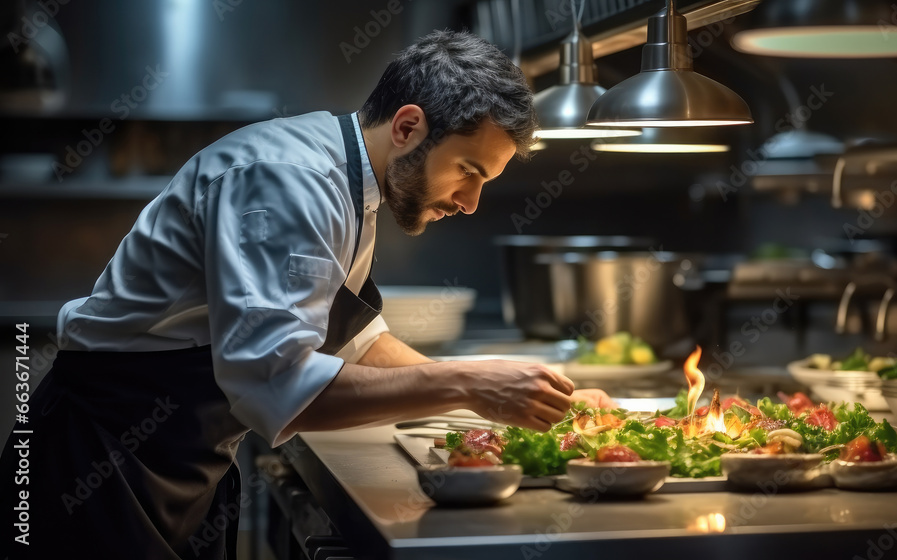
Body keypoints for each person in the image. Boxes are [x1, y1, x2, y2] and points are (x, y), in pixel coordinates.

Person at [0, 30, 613, 559]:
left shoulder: (351, 182)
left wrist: (498, 400)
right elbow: (278, 385)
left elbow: (356, 342)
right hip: (99, 461)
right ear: (407, 127)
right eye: (469, 172)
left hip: (177, 461)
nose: (470, 201)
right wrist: (468, 382)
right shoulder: (289, 181)